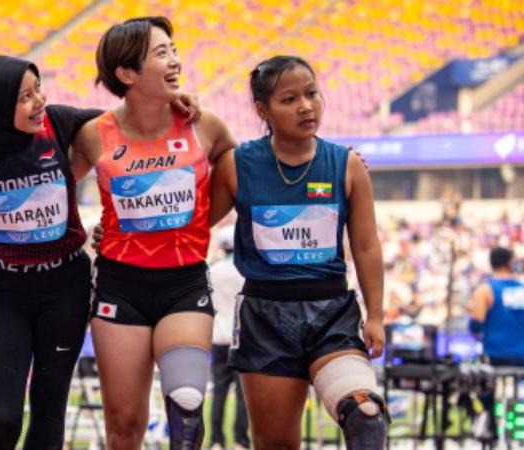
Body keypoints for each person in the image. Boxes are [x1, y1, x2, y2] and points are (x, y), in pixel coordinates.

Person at [0, 54, 199, 450]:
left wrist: (170, 103)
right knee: (4, 419)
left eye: (38, 89)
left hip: (64, 286)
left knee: (49, 410)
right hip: (3, 292)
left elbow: (128, 123)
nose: (39, 101)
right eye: (24, 97)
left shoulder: (60, 123)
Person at [71, 17, 238, 449]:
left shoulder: (206, 125)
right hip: (118, 286)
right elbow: (54, 183)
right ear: (127, 74)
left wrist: (197, 222)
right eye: (161, 53)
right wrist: (84, 230)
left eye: (174, 50)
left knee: (185, 409)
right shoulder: (93, 134)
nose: (176, 61)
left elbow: (243, 175)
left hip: (184, 281)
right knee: (124, 427)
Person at [208, 55, 388, 450]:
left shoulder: (347, 165)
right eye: (289, 99)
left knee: (367, 419)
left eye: (312, 94)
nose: (306, 106)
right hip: (265, 317)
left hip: (332, 314)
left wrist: (375, 315)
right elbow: (194, 225)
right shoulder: (236, 165)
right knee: (275, 444)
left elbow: (366, 245)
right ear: (262, 110)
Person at [208, 225, 250, 450]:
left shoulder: (213, 271)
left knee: (219, 391)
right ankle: (240, 440)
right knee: (243, 394)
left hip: (219, 337)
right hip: (242, 338)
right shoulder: (245, 271)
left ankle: (216, 440)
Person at [470, 247, 524, 366]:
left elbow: (475, 326)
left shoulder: (485, 290)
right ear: (510, 263)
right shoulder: (522, 289)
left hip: (495, 356)